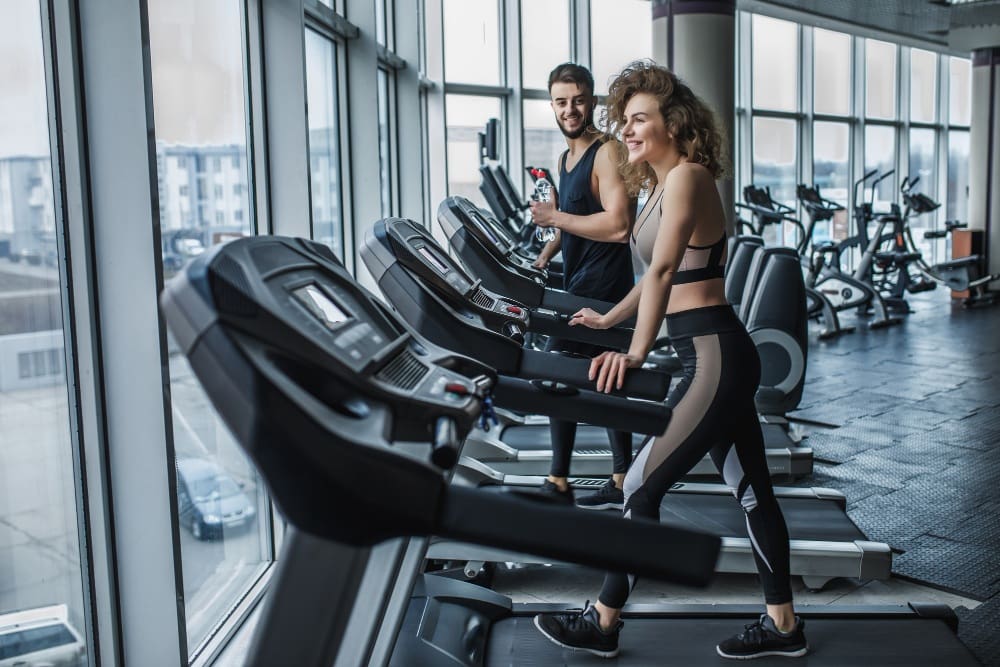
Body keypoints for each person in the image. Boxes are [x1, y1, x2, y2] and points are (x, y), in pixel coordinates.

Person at [533, 61, 808, 660]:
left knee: (639, 485)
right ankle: (784, 626)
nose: (627, 131)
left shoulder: (688, 177)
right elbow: (654, 273)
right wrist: (609, 320)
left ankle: (602, 622)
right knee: (753, 492)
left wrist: (632, 351)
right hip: (703, 354)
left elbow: (662, 270)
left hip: (713, 354)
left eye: (639, 120)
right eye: (624, 120)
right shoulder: (658, 186)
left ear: (673, 123)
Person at [529, 63, 638, 510]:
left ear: (592, 101)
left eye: (577, 99)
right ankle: (618, 477)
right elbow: (572, 225)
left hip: (605, 288)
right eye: (561, 101)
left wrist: (555, 218)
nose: (570, 109)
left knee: (561, 377)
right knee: (603, 381)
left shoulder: (607, 152)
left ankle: (559, 480)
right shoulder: (565, 159)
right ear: (552, 106)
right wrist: (544, 253)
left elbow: (617, 225)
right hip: (577, 282)